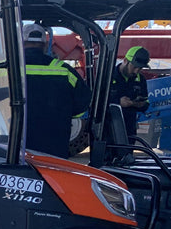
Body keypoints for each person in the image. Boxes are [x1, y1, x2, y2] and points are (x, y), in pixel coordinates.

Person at [22, 23, 92, 158]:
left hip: (16, 146)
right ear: (45, 44)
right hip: (54, 146)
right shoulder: (65, 71)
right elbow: (84, 102)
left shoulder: (5, 69)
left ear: (22, 42)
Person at [108, 45, 151, 141]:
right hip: (107, 129)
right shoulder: (108, 76)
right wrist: (118, 102)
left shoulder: (140, 80)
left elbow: (146, 103)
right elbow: (96, 101)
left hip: (129, 130)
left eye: (140, 69)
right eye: (134, 67)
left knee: (127, 155)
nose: (136, 71)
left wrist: (138, 104)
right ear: (125, 60)